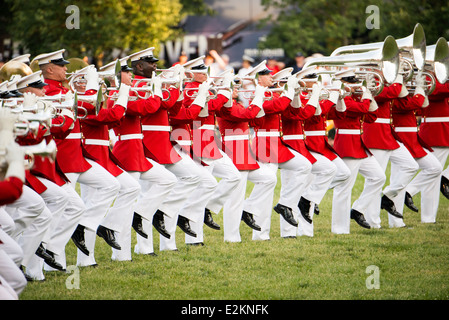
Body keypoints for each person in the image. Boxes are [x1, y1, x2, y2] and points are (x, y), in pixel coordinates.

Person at [37, 49, 122, 267]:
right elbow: (90, 104)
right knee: (62, 207)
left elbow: (92, 106)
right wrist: (92, 83)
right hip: (62, 154)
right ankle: (48, 260)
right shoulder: (47, 91)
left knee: (111, 185)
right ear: (49, 69)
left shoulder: (64, 89)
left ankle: (82, 227)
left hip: (76, 154)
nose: (66, 69)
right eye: (61, 65)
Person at [172, 56, 241, 246]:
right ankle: (193, 238)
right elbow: (206, 107)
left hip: (210, 138)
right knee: (202, 187)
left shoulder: (206, 87)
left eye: (205, 71)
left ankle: (209, 208)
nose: (204, 75)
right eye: (199, 72)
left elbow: (218, 109)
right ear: (191, 73)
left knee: (233, 176)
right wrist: (223, 94)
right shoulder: (190, 89)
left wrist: (224, 94)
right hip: (198, 136)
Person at [247, 61, 311, 240]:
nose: (271, 77)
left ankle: (285, 204)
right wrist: (289, 90)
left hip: (276, 143)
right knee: (267, 187)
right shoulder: (259, 95)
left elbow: (292, 110)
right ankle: (260, 234)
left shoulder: (271, 93)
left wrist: (294, 93)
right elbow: (277, 107)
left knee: (304, 166)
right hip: (264, 143)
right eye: (268, 75)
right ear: (259, 78)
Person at [216, 82, 278, 242]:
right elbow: (246, 115)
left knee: (269, 179)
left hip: (244, 151)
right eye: (232, 87)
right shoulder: (225, 106)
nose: (237, 89)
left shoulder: (236, 104)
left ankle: (248, 207)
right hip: (235, 150)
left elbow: (255, 121)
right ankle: (231, 237)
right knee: (235, 199)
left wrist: (258, 101)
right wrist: (257, 96)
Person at [329, 70, 386, 234]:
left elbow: (372, 116)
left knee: (379, 177)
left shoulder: (357, 99)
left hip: (359, 145)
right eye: (351, 82)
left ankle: (358, 208)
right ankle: (339, 228)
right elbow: (362, 109)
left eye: (355, 82)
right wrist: (367, 94)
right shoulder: (344, 100)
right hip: (347, 144)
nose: (355, 86)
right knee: (344, 188)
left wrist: (370, 95)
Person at [362, 72, 419, 228]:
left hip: (387, 134)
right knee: (375, 180)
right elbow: (391, 93)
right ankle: (373, 222)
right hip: (375, 133)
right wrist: (399, 78)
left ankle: (388, 198)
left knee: (411, 166)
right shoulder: (372, 84)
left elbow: (398, 94)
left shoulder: (383, 82)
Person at [391, 79, 442, 225]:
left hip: (412, 139)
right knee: (397, 179)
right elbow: (411, 104)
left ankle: (409, 191)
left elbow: (421, 107)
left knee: (435, 168)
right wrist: (418, 89)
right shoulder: (393, 95)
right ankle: (396, 222)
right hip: (401, 138)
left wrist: (422, 90)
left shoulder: (403, 95)